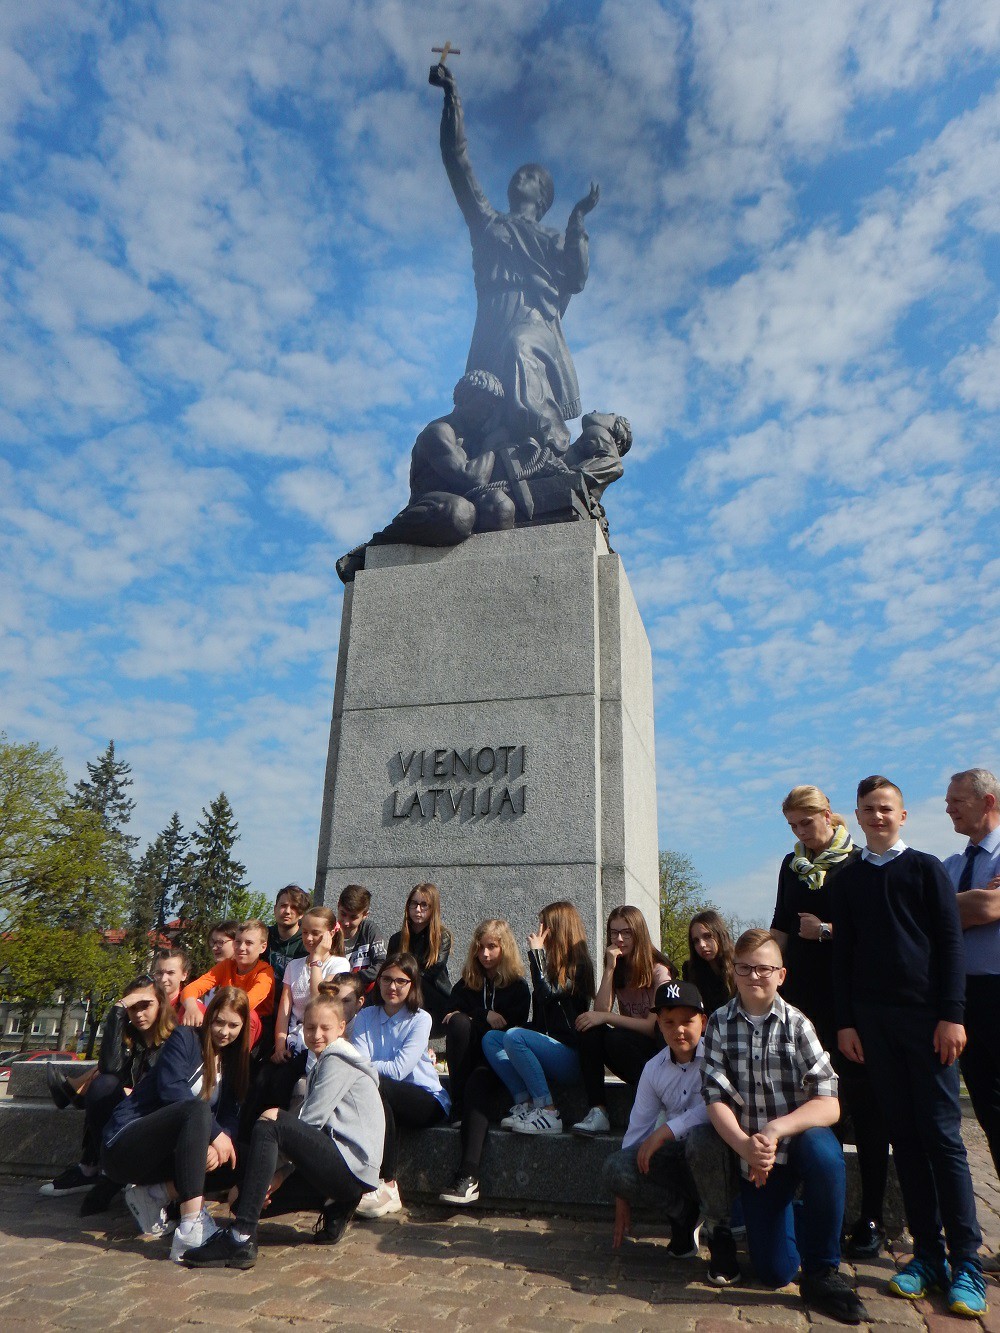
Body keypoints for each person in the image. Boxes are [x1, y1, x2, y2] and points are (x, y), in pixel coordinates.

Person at [834, 776, 986, 1318]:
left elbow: (950, 944)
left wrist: (952, 1015)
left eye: (886, 808)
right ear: (856, 816)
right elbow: (843, 955)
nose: (877, 816)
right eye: (868, 809)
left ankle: (966, 1261)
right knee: (905, 1138)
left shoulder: (926, 869)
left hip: (928, 1022)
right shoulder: (848, 879)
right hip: (873, 1025)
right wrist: (846, 1023)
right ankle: (927, 1256)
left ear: (902, 815)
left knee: (943, 1138)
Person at [432, 60, 599, 453]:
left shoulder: (552, 239)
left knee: (518, 347)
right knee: (486, 403)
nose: (522, 177)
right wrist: (453, 100)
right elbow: (457, 160)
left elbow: (576, 279)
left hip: (534, 322)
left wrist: (577, 219)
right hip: (492, 317)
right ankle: (499, 457)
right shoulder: (488, 223)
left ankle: (551, 442)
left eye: (534, 178)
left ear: (543, 198)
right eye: (521, 174)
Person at [703, 928, 867, 1325]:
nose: (754, 976)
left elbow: (829, 1102)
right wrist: (745, 1146)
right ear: (733, 971)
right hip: (757, 1160)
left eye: (764, 968)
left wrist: (776, 1130)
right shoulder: (719, 1024)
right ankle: (794, 1216)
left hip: (797, 1142)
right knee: (774, 1273)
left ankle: (822, 1271)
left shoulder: (797, 1024)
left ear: (781, 975)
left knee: (825, 1154)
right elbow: (715, 1098)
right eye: (744, 968)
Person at [770, 784, 889, 1259]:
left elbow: (877, 934)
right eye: (792, 826)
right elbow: (780, 926)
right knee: (814, 1109)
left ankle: (871, 1216)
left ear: (828, 815)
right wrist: (758, 967)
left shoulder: (858, 863)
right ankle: (824, 1216)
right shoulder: (791, 865)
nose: (801, 833)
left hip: (850, 1004)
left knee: (863, 1109)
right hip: (803, 1004)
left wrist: (824, 931)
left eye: (806, 822)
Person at [182, 992, 385, 1267]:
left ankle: (241, 1237)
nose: (316, 1034)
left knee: (271, 1121)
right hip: (342, 1169)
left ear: (341, 1027)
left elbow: (309, 1123)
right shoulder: (324, 1060)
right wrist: (269, 1178)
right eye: (310, 1027)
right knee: (242, 1200)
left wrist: (278, 1175)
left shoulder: (337, 1060)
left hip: (352, 1166)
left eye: (325, 1028)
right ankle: (334, 1204)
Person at [601, 980, 739, 1283]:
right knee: (615, 1168)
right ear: (659, 1027)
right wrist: (622, 1194)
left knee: (702, 1139)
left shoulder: (718, 1057)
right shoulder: (654, 1068)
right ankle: (683, 1214)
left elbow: (715, 1108)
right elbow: (638, 1129)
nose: (679, 1030)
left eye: (688, 1021)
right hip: (679, 1158)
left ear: (703, 1022)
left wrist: (666, 1130)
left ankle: (719, 1232)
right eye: (669, 1022)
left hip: (718, 1157)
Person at [101, 987, 251, 1264]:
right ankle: (191, 1228)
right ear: (209, 1017)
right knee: (196, 1108)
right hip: (126, 1144)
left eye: (233, 1025)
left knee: (240, 1158)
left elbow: (231, 1113)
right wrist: (215, 1134)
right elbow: (172, 1090)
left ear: (243, 1028)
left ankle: (154, 1195)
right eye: (219, 1021)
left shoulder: (233, 1062)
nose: (224, 1031)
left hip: (167, 1157)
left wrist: (223, 1139)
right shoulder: (185, 1038)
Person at [42, 975, 177, 1213]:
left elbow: (172, 1092)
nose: (139, 1014)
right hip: (123, 1122)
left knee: (103, 1088)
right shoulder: (127, 1039)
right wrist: (116, 1011)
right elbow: (110, 1069)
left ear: (161, 1005)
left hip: (155, 1122)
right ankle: (108, 1171)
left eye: (146, 1005)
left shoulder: (176, 1039)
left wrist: (136, 1095)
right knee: (102, 1085)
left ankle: (106, 1174)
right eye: (132, 1007)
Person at [350, 952, 450, 1218]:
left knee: (377, 1087)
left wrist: (368, 1066)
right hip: (384, 1097)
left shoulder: (420, 1019)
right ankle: (367, 1181)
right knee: (375, 1093)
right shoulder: (365, 1016)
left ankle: (388, 1183)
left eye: (400, 981)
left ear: (412, 985)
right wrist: (366, 1067)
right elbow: (358, 1065)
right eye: (386, 979)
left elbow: (398, 1070)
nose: (392, 987)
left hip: (426, 1099)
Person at [482, 901, 595, 1136]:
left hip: (571, 1056)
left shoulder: (578, 966)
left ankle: (548, 1111)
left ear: (558, 929)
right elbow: (543, 1017)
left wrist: (536, 954)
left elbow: (546, 993)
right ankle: (525, 1104)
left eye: (544, 926)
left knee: (514, 1036)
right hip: (549, 1049)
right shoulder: (551, 967)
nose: (538, 931)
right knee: (492, 1038)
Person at [943, 768, 1000, 1180]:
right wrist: (976, 902)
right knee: (988, 1109)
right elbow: (930, 919)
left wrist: (965, 906)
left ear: (988, 801)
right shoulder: (950, 865)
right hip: (963, 997)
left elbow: (987, 908)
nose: (949, 809)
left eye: (957, 801)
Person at [572, 905, 672, 1135]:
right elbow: (600, 1010)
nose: (619, 939)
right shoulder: (617, 967)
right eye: (614, 933)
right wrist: (609, 969)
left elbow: (652, 1027)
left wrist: (607, 1017)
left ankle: (658, 1104)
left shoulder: (659, 971)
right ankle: (598, 1111)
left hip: (656, 1054)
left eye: (626, 933)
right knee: (589, 1028)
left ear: (639, 934)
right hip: (630, 1050)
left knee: (615, 1037)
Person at [441, 919, 531, 1123]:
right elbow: (450, 1017)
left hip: (496, 1060)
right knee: (459, 1022)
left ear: (504, 948)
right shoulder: (467, 983)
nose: (485, 954)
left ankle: (466, 1113)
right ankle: (457, 1106)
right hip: (467, 1055)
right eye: (480, 948)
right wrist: (484, 1014)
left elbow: (510, 1026)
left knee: (476, 1084)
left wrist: (473, 1017)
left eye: (491, 947)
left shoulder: (517, 987)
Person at [180, 920, 275, 1031]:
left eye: (249, 943)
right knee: (188, 1005)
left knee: (250, 1016)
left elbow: (248, 1002)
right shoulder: (227, 965)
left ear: (263, 947)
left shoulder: (264, 972)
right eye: (238, 942)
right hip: (225, 1017)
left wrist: (218, 1015)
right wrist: (192, 1008)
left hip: (254, 1026)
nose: (241, 947)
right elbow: (191, 988)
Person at [387, 883, 453, 1035]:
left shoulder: (442, 937)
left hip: (434, 995)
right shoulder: (396, 939)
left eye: (424, 905)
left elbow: (433, 971)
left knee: (414, 981)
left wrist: (405, 980)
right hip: (403, 993)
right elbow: (390, 970)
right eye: (414, 904)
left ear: (433, 909)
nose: (418, 910)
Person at [682, 910, 735, 1016]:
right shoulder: (690, 970)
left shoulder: (739, 966)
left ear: (720, 935)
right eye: (696, 941)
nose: (702, 945)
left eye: (707, 936)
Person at [336, 885, 387, 991]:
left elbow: (382, 965)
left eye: (353, 917)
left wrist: (351, 978)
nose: (346, 922)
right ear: (338, 906)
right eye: (343, 914)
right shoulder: (329, 932)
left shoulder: (369, 930)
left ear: (365, 915)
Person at [267, 885, 310, 986]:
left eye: (294, 907)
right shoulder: (264, 936)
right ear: (275, 909)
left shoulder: (307, 942)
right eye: (283, 906)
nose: (287, 911)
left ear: (301, 914)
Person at [153, 948, 192, 1018]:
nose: (163, 979)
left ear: (184, 975)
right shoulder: (146, 1005)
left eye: (170, 973)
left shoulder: (190, 1009)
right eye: (159, 973)